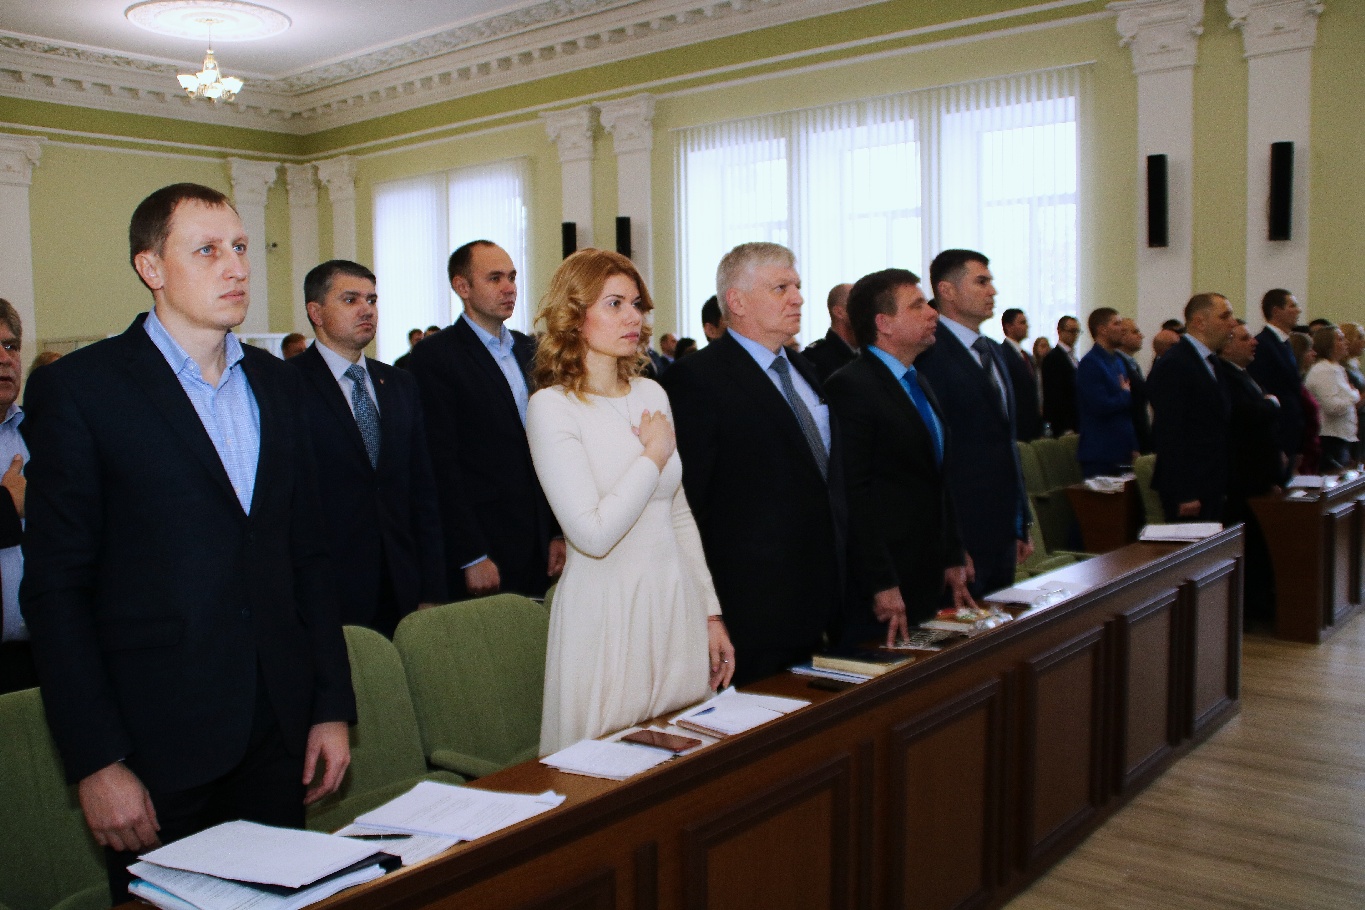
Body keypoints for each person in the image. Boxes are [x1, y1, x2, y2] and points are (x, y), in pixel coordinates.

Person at [20, 183, 354, 900]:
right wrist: (97, 760)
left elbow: (307, 557)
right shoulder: (82, 391)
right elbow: (56, 589)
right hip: (154, 742)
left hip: (277, 730)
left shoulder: (280, 385)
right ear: (152, 268)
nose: (236, 267)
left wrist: (330, 705)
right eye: (207, 250)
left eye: (240, 247)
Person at [527, 249, 734, 754]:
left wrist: (710, 612)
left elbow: (678, 514)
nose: (633, 317)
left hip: (673, 600)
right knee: (607, 773)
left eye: (636, 304)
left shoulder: (651, 394)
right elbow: (592, 534)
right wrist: (653, 456)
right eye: (614, 303)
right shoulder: (551, 408)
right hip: (607, 611)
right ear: (574, 315)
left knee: (687, 762)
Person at [662, 242, 846, 686]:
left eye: (796, 286)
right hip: (752, 605)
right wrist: (710, 611)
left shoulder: (804, 369)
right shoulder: (697, 379)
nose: (798, 297)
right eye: (781, 288)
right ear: (737, 302)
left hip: (824, 594)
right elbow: (691, 504)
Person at [292, 260, 447, 636]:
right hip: (327, 589)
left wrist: (432, 587)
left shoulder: (399, 384)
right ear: (316, 312)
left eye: (372, 300)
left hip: (402, 583)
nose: (367, 310)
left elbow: (423, 491)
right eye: (350, 300)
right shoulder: (286, 385)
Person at [410, 240, 564, 599]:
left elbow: (550, 448)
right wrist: (471, 553)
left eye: (512, 277)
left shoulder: (530, 350)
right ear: (462, 287)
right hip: (484, 543)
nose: (509, 288)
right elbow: (440, 464)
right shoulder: (436, 357)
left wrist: (557, 531)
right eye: (495, 278)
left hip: (539, 540)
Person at [824, 269, 971, 644]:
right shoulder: (851, 386)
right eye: (917, 305)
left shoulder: (917, 380)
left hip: (928, 572)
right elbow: (854, 494)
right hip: (884, 583)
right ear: (884, 323)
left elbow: (938, 479)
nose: (932, 312)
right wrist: (880, 581)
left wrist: (953, 554)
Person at [915, 249, 1032, 597]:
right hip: (963, 530)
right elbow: (933, 457)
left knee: (1004, 622)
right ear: (947, 290)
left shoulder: (993, 350)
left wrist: (1020, 519)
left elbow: (1005, 442)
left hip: (1002, 526)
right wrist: (951, 544)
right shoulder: (928, 354)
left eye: (991, 282)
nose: (992, 291)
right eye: (981, 282)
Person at [1147, 293, 1236, 521]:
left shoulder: (1211, 361)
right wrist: (1185, 493)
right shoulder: (1176, 363)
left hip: (1212, 479)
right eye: (1224, 316)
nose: (1232, 323)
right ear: (1199, 322)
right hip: (1190, 487)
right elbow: (1170, 431)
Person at [1218, 320, 1281, 624]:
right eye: (1245, 338)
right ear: (1227, 345)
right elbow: (1245, 414)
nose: (1254, 342)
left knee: (1258, 545)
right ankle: (1252, 608)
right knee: (1250, 545)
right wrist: (1271, 405)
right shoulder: (1224, 375)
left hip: (1259, 472)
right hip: (1242, 475)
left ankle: (1261, 604)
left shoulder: (1244, 374)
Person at [0, 299, 32, 694]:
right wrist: (9, 504)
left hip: (42, 657)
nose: (4, 358)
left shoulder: (43, 431)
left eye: (11, 346)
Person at [1247, 289, 1305, 480]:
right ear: (1276, 311)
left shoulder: (1284, 343)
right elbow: (1264, 392)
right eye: (1292, 306)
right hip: (1278, 433)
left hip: (1290, 432)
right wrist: (1276, 445)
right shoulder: (1263, 344)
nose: (1298, 310)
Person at [1075, 307, 1136, 478]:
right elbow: (1100, 405)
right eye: (1117, 324)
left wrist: (1133, 445)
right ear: (1102, 329)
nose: (1122, 329)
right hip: (1101, 452)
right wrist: (1125, 395)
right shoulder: (1090, 363)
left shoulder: (1118, 361)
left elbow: (1125, 413)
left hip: (1121, 449)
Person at [1304, 324, 1359, 472]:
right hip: (1330, 438)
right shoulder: (1323, 370)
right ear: (1328, 344)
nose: (1346, 342)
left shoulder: (1336, 368)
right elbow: (1332, 407)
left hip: (1342, 437)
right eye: (1340, 339)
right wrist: (1354, 395)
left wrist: (1350, 395)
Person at [999, 307, 1043, 441]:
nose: (1026, 326)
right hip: (1017, 426)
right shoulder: (1002, 354)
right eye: (1022, 322)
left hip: (1033, 425)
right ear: (1009, 327)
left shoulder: (1027, 356)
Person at [803, 283, 857, 381]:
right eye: (860, 305)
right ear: (839, 312)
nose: (867, 312)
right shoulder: (813, 359)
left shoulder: (869, 352)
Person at [1117, 317, 1152, 454]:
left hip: (1139, 433)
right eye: (1135, 332)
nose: (1141, 335)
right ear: (1122, 336)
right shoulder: (1118, 364)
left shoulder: (1132, 363)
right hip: (1130, 439)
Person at [1288, 331, 1321, 474]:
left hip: (1311, 448)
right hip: (1301, 452)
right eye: (1309, 350)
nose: (1314, 354)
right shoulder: (1292, 384)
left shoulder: (1301, 379)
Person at [1042, 314, 1080, 434]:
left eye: (1077, 331)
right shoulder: (1053, 358)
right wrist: (1064, 426)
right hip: (1064, 423)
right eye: (1071, 331)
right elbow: (1054, 395)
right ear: (1060, 331)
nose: (1075, 335)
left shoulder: (1073, 357)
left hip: (1077, 419)